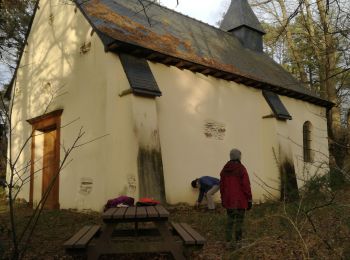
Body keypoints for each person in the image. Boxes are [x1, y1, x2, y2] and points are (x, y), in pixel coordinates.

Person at [220, 149, 252, 248]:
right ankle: (238, 243)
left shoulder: (224, 169)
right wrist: (249, 199)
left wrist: (223, 199)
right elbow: (246, 185)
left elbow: (222, 186)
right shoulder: (241, 168)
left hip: (229, 201)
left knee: (230, 221)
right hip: (240, 201)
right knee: (239, 222)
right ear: (238, 156)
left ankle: (228, 242)